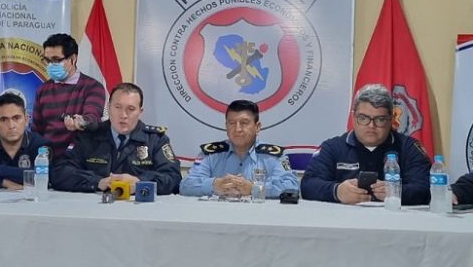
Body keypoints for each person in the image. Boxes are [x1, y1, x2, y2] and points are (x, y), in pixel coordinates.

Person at [301, 84, 430, 205]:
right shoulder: (332, 148)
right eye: (363, 118)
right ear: (353, 117)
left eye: (380, 119)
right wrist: (337, 191)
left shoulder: (409, 148)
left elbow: (427, 188)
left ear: (391, 120)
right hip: (345, 218)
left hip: (394, 218)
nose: (371, 126)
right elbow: (308, 185)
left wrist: (396, 192)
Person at [51, 82, 181, 195]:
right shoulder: (89, 136)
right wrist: (97, 182)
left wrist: (140, 182)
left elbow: (173, 178)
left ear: (140, 112)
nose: (123, 115)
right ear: (109, 107)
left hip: (138, 208)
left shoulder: (155, 140)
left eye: (131, 109)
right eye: (117, 107)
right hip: (95, 207)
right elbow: (60, 172)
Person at [179, 99, 298, 198]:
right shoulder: (210, 154)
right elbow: (186, 185)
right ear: (226, 126)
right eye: (231, 123)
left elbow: (291, 186)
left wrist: (253, 188)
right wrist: (214, 185)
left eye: (244, 123)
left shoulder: (274, 156)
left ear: (257, 127)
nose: (237, 129)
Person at [32, 33, 106, 159]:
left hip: (79, 161)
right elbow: (36, 132)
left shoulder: (92, 87)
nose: (51, 65)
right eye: (48, 60)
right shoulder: (42, 90)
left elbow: (93, 118)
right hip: (47, 160)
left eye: (56, 60)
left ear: (73, 58)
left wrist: (81, 121)